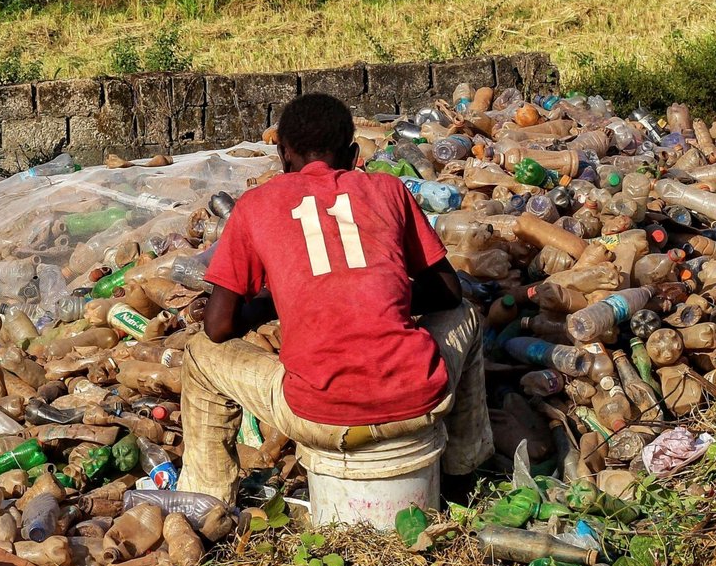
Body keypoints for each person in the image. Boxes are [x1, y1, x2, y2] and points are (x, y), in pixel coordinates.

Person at [176, 93, 490, 505]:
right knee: (466, 314)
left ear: (282, 154)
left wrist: (276, 302)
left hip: (318, 415)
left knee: (200, 354)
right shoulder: (389, 189)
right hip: (416, 400)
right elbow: (449, 292)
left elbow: (217, 326)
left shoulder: (256, 205)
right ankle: (467, 472)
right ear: (354, 154)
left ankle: (206, 505)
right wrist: (382, 296)